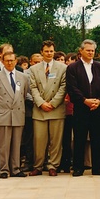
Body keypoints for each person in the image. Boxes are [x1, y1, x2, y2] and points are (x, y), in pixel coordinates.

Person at [66, 39, 100, 177]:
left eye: (92, 50)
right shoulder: (73, 68)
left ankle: (97, 167)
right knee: (79, 138)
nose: (91, 52)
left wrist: (99, 100)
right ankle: (78, 167)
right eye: (88, 50)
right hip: (81, 108)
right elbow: (72, 87)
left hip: (97, 108)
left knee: (98, 138)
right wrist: (84, 100)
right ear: (81, 51)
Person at [0, 52, 29, 179]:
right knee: (3, 144)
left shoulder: (23, 77)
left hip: (17, 113)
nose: (10, 63)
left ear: (16, 61)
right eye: (7, 60)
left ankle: (15, 168)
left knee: (17, 143)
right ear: (2, 62)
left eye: (12, 60)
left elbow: (24, 94)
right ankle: (4, 169)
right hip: (3, 114)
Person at [29, 41, 67, 177]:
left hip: (56, 109)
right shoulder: (34, 69)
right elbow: (32, 88)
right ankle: (38, 166)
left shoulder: (62, 68)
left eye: (51, 51)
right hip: (40, 110)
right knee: (39, 140)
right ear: (41, 52)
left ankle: (53, 166)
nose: (49, 53)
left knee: (56, 141)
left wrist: (53, 103)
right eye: (46, 51)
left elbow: (63, 87)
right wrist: (41, 103)